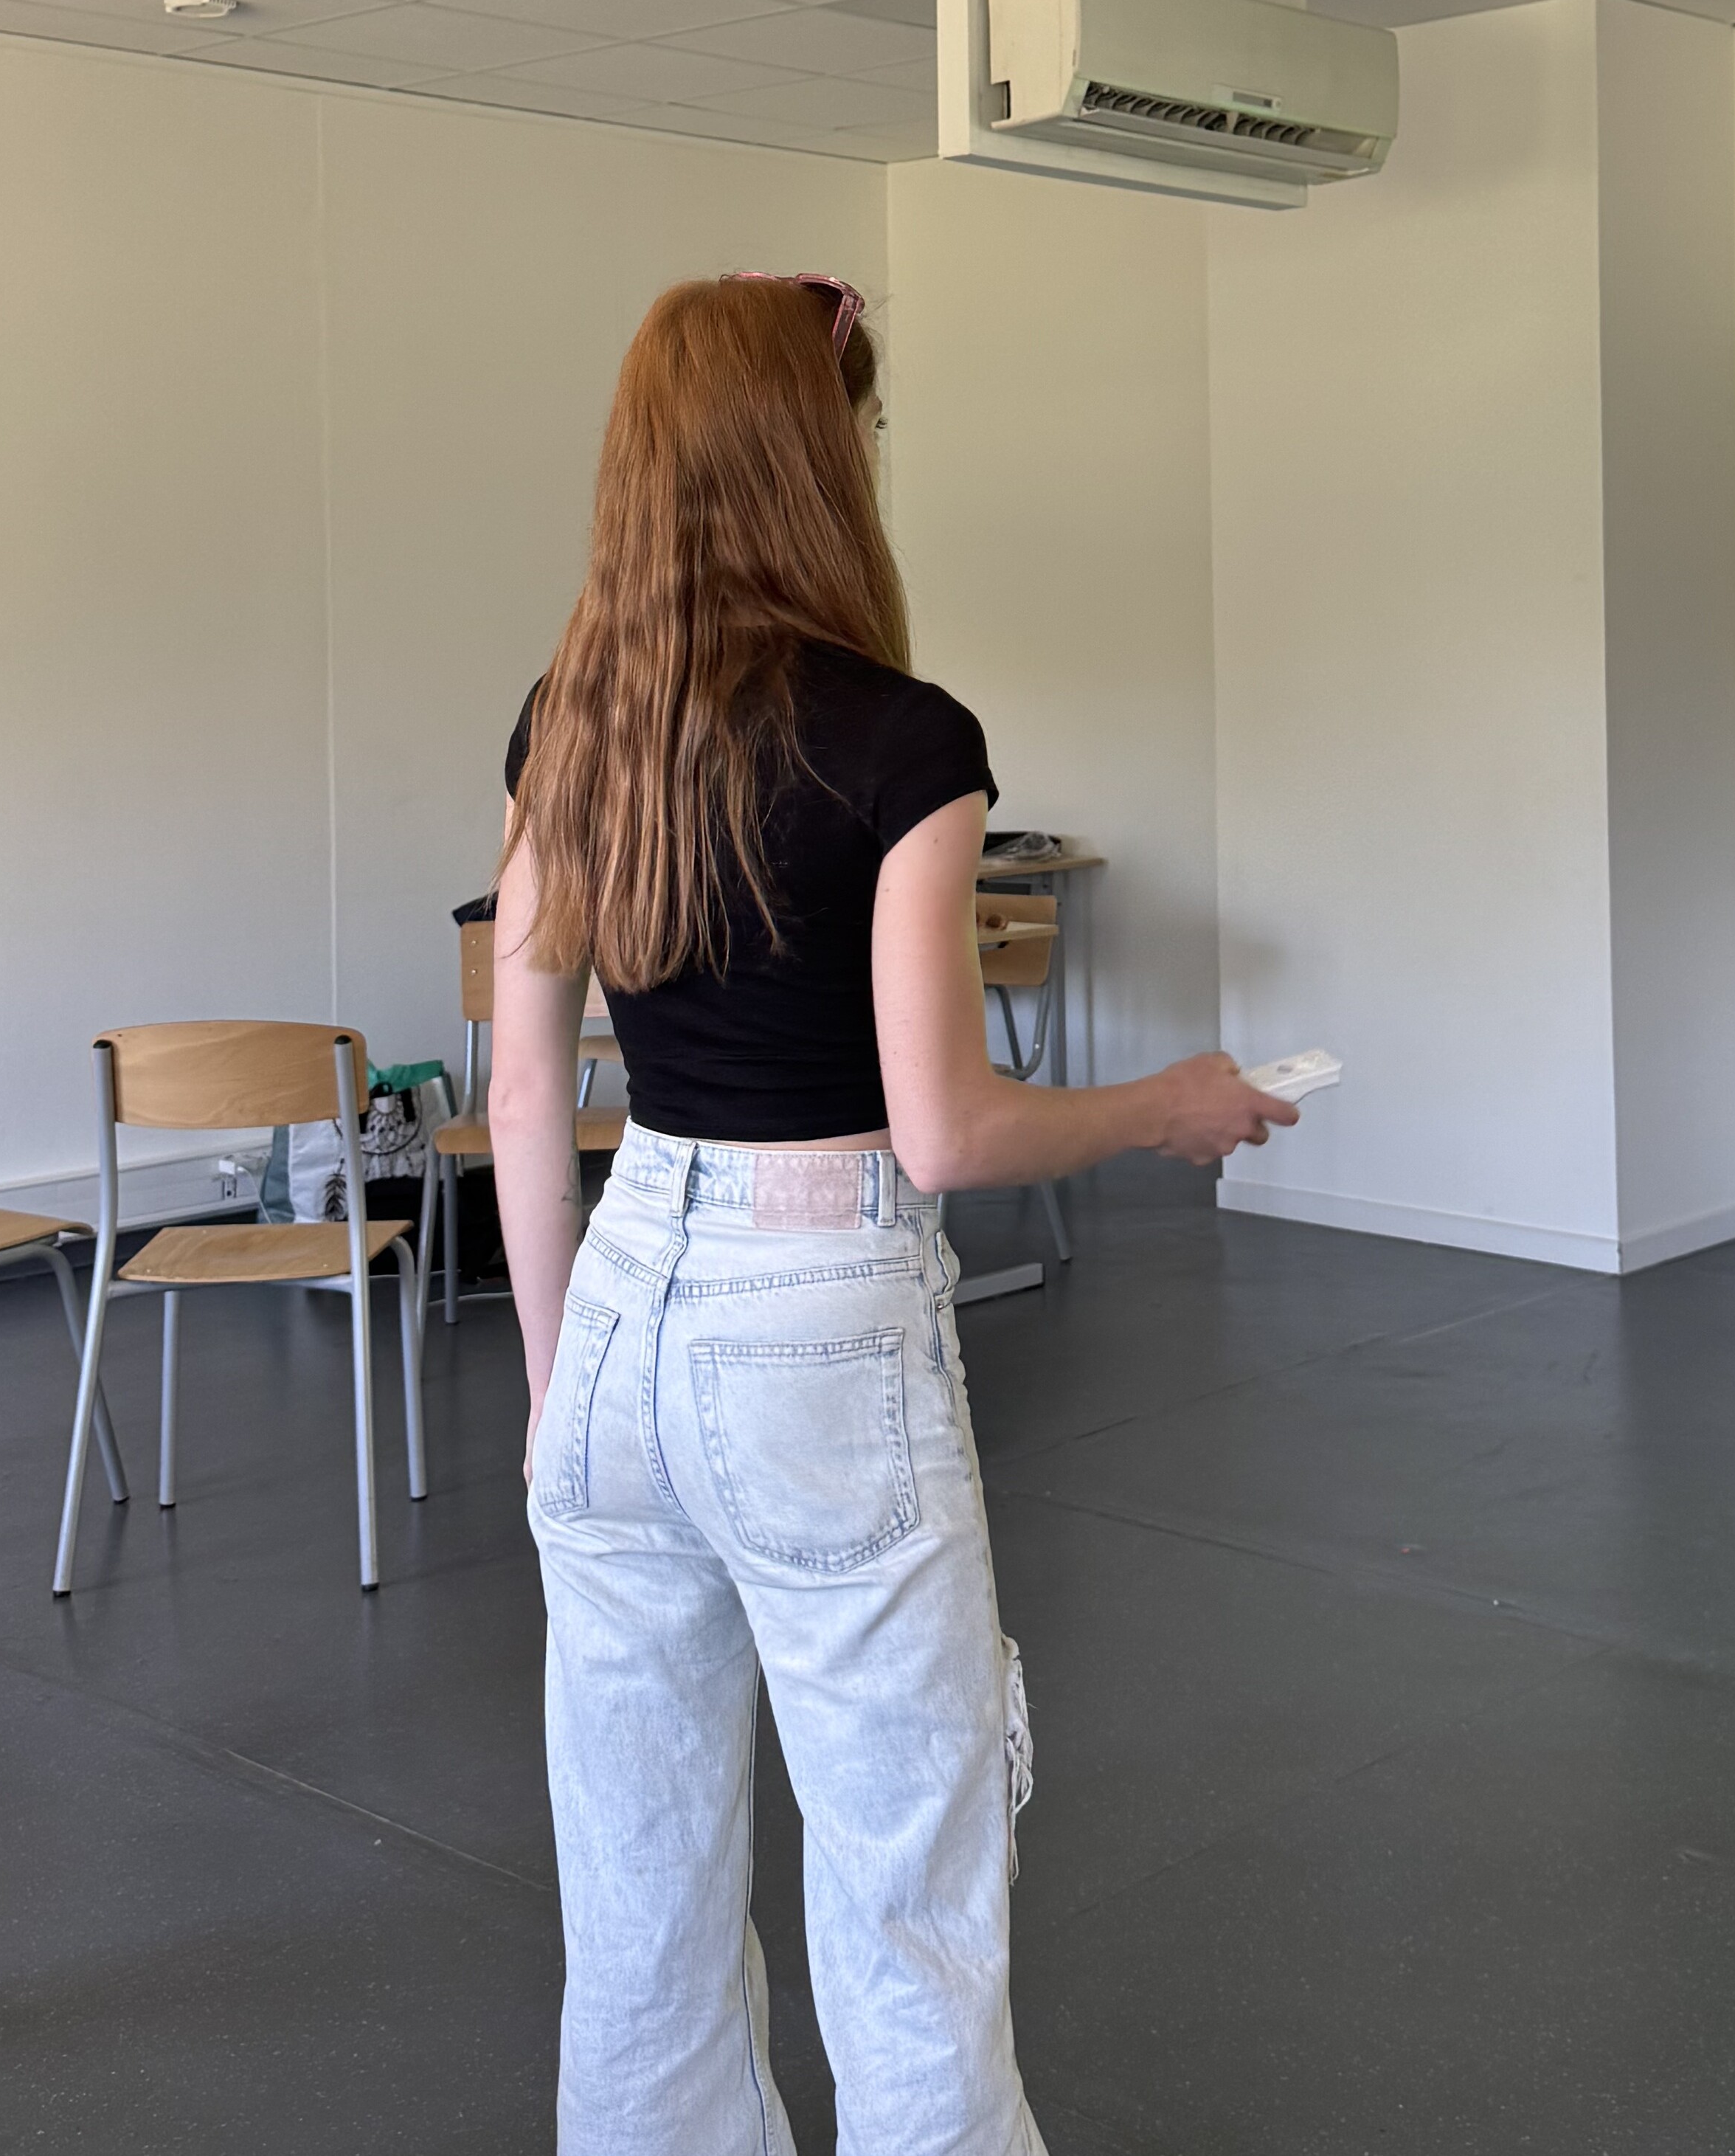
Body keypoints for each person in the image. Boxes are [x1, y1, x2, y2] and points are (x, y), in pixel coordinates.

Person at [488, 277, 1291, 2156]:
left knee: (637, 1898)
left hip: (615, 1313)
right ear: (821, 451)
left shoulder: (570, 715)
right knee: (904, 1894)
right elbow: (946, 1129)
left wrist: (553, 1402)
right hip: (815, 1309)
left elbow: (531, 1090)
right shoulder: (903, 739)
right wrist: (1164, 1105)